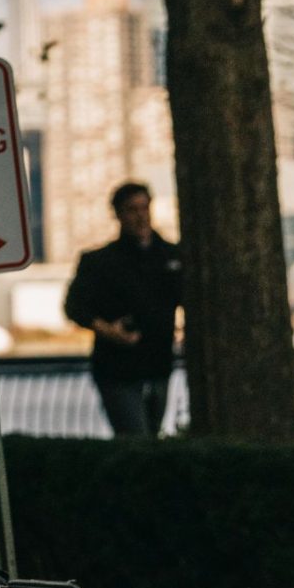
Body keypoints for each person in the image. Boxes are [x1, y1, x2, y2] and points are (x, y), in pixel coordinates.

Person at [63, 182, 183, 437]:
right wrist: (109, 331)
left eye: (144, 208)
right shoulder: (100, 263)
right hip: (118, 370)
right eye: (132, 209)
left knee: (150, 436)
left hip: (158, 363)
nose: (140, 216)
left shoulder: (171, 256)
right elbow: (74, 306)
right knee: (136, 437)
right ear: (118, 214)